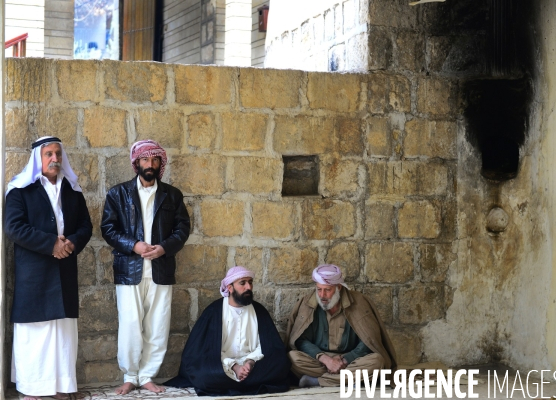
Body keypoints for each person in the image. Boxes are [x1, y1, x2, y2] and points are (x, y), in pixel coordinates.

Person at [5, 136, 93, 400]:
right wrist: (51, 243)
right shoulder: (20, 189)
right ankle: (32, 390)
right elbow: (14, 228)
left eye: (57, 154)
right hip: (34, 271)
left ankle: (60, 387)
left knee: (63, 332)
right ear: (38, 159)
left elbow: (86, 227)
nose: (54, 159)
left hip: (64, 267)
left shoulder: (72, 190)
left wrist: (71, 244)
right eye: (48, 155)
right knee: (36, 333)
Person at [101, 139, 190, 394]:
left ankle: (148, 375)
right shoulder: (118, 194)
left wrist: (164, 247)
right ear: (136, 163)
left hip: (161, 269)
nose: (149, 165)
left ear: (160, 163)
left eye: (154, 160)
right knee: (130, 325)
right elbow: (108, 228)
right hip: (130, 270)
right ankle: (130, 376)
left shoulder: (172, 195)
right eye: (144, 160)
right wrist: (133, 245)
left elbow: (183, 228)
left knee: (158, 325)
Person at [165, 266, 290, 396]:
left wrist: (250, 362)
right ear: (229, 287)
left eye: (250, 282)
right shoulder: (214, 311)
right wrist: (234, 366)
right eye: (243, 283)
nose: (248, 287)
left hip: (253, 365)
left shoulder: (259, 311)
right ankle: (243, 380)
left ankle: (236, 379)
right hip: (222, 365)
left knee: (280, 365)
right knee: (202, 373)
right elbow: (207, 351)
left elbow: (267, 345)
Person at [286, 264, 398, 387]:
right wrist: (326, 359)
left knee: (377, 360)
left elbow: (369, 340)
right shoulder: (309, 304)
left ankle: (317, 381)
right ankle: (349, 380)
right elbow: (301, 341)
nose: (322, 295)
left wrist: (345, 360)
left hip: (351, 361)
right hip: (320, 362)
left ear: (338, 287)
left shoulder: (359, 302)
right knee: (292, 357)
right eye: (319, 289)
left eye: (327, 290)